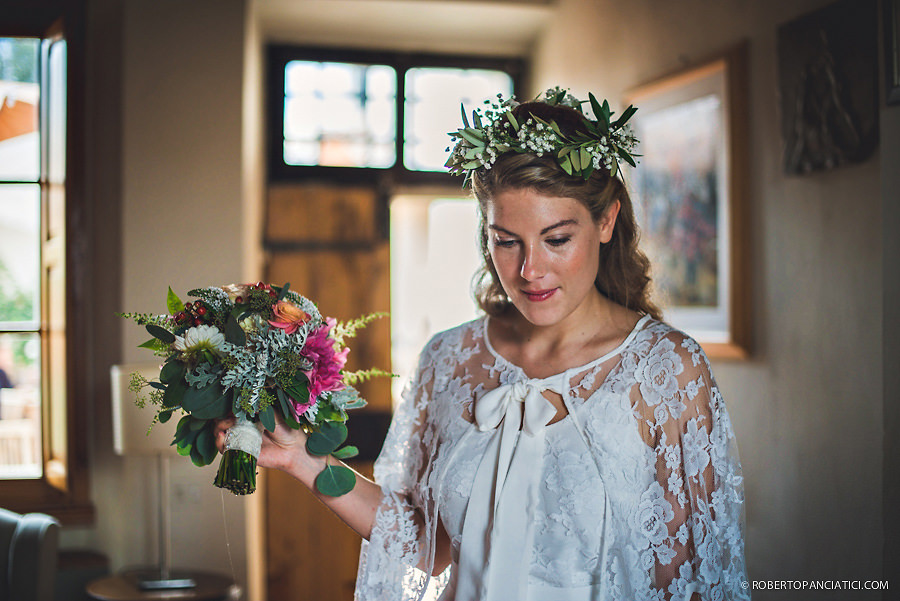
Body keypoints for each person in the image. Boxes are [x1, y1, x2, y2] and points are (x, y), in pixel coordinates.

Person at [216, 87, 749, 601]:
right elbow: (424, 545)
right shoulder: (449, 359)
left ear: (606, 220)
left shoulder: (667, 370)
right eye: (505, 241)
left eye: (557, 239)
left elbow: (692, 582)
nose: (529, 270)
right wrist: (303, 460)